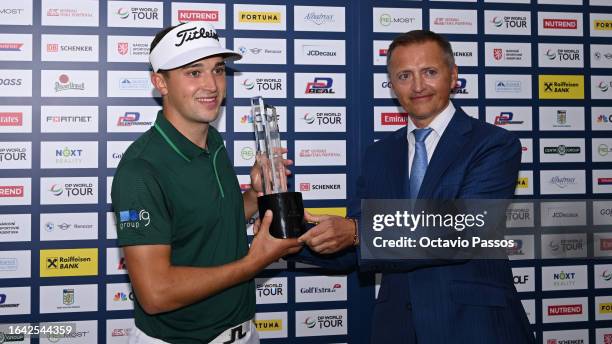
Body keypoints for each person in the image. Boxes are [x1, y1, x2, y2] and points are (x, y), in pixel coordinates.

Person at [287, 30, 535, 343]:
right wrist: (288, 240)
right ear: (391, 85)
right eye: (404, 75)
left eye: (429, 72)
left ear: (453, 76)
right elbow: (353, 250)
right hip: (396, 329)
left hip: (473, 326)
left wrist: (355, 232)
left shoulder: (493, 144)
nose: (417, 86)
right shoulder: (378, 154)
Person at [111, 22, 302, 344]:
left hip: (244, 332)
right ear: (160, 82)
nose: (212, 85)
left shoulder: (212, 141)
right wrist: (255, 261)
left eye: (218, 70)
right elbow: (156, 293)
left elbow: (208, 225)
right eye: (193, 72)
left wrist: (255, 195)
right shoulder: (140, 171)